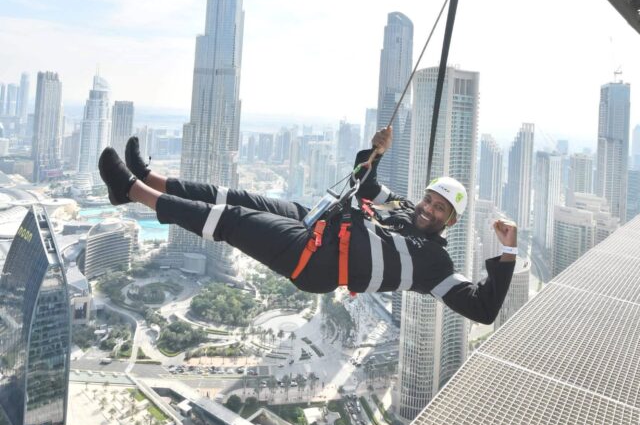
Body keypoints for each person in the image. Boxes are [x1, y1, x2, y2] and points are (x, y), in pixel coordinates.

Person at [98, 128, 518, 324]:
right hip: (319, 223)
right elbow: (365, 182)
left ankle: (130, 190)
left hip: (318, 262)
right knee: (241, 198)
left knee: (233, 221)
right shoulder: (404, 208)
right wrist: (376, 150)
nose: (428, 209)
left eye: (440, 209)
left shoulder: (437, 267)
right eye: (430, 199)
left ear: (452, 221)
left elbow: (482, 308)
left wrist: (507, 253)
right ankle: (152, 179)